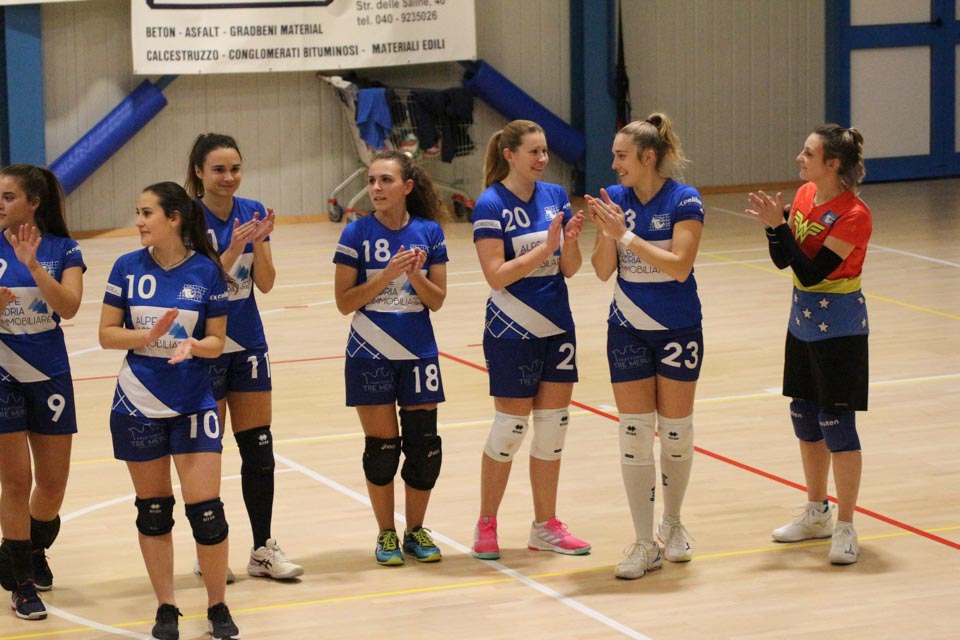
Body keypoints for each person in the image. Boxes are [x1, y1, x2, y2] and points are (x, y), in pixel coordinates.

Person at [98, 182, 240, 640]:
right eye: (138, 212)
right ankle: (166, 607)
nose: (139, 221)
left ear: (174, 218)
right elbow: (106, 334)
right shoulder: (126, 267)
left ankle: (217, 605)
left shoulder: (206, 271)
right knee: (154, 511)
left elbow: (217, 341)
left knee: (207, 512)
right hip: (138, 400)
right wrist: (146, 337)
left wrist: (195, 346)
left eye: (147, 213)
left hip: (193, 399)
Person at [746, 124, 871, 565]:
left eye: (808, 153)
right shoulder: (803, 196)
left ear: (832, 164)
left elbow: (814, 273)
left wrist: (779, 227)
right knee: (804, 414)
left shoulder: (853, 214)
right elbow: (786, 262)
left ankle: (846, 525)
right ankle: (817, 512)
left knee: (837, 423)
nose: (800, 158)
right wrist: (774, 230)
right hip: (802, 323)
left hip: (840, 329)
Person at [587, 113, 704, 579]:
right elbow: (602, 271)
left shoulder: (684, 199)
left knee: (675, 433)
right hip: (627, 328)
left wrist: (626, 235)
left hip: (678, 329)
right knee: (634, 434)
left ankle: (672, 523)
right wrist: (605, 233)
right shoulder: (615, 199)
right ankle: (643, 542)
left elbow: (679, 266)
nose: (615, 164)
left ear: (648, 157)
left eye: (622, 156)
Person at [185, 133, 302, 581]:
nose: (229, 177)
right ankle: (209, 550)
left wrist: (263, 241)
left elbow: (266, 283)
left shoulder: (251, 210)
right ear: (199, 172)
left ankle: (262, 549)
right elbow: (196, 285)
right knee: (207, 451)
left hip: (248, 343)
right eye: (219, 169)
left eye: (235, 168)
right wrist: (234, 248)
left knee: (259, 448)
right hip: (206, 345)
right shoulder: (186, 215)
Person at [470, 120, 589, 560]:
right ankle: (486, 524)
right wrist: (545, 248)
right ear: (510, 155)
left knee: (552, 430)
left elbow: (569, 268)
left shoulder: (555, 195)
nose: (542, 159)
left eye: (544, 151)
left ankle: (546, 526)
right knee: (509, 430)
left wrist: (569, 243)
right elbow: (496, 275)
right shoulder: (490, 203)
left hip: (557, 326)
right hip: (511, 328)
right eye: (534, 152)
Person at [333, 149, 448, 566]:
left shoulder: (429, 232)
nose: (376, 188)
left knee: (424, 447)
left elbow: (437, 300)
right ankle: (385, 533)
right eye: (372, 181)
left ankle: (415, 530)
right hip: (369, 351)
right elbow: (344, 302)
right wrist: (385, 275)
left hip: (418, 352)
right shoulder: (356, 233)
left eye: (386, 180)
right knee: (382, 450)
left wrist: (414, 275)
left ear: (407, 186)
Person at [0, 165, 84, 620]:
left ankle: (28, 549)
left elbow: (68, 307)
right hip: (2, 373)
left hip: (50, 375)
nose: (0, 204)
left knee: (51, 487)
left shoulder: (63, 249)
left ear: (33, 203)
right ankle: (22, 584)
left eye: (8, 196)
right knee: (16, 481)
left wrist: (33, 265)